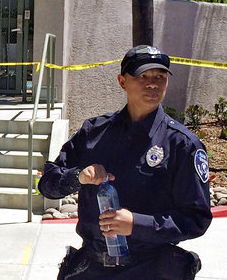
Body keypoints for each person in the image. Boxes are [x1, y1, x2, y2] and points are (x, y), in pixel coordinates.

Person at [38, 45, 212, 279]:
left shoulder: (182, 145)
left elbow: (196, 218)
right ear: (122, 81)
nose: (153, 83)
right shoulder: (94, 132)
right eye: (143, 76)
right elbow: (47, 183)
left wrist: (136, 224)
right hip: (91, 267)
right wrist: (77, 177)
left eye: (160, 77)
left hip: (150, 268)